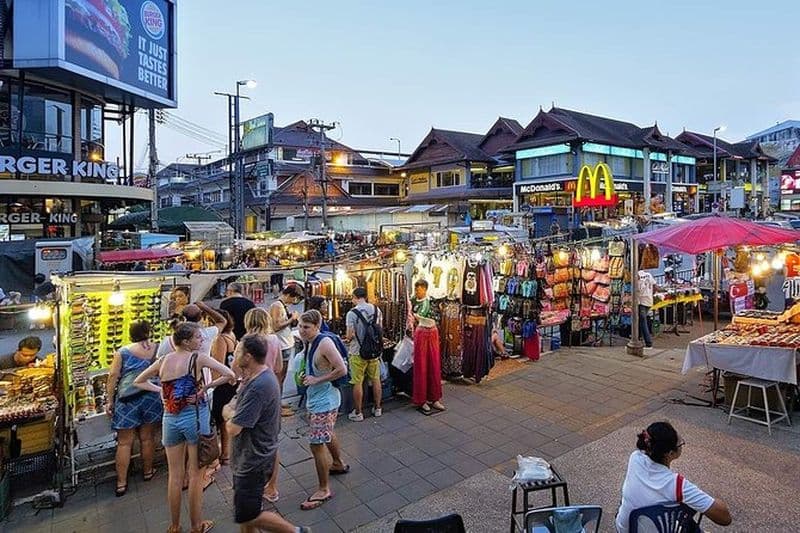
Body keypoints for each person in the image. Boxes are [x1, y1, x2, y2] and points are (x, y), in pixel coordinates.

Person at [134, 322, 236, 533]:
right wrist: (206, 387)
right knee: (196, 475)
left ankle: (174, 525)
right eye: (198, 337)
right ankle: (196, 525)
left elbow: (139, 381)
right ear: (187, 341)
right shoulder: (198, 359)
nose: (201, 341)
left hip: (170, 420)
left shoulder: (163, 360)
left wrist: (161, 392)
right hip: (194, 420)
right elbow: (229, 375)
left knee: (175, 475)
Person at [222, 335, 310, 533]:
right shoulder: (256, 378)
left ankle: (296, 532)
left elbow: (232, 427)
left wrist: (228, 411)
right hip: (250, 457)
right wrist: (233, 409)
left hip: (253, 460)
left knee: (249, 515)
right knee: (245, 513)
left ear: (248, 357)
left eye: (238, 351)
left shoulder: (257, 387)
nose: (234, 354)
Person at [616, 421, 732, 532]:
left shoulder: (636, 457)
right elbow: (725, 518)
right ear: (670, 454)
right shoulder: (677, 485)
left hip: (625, 528)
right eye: (680, 443)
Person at [297, 310, 349, 511]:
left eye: (306, 327)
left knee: (316, 444)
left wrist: (316, 379)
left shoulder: (324, 343)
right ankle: (337, 463)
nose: (302, 330)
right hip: (319, 399)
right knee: (327, 434)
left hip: (325, 401)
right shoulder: (308, 341)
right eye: (301, 326)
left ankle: (323, 489)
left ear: (317, 326)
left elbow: (341, 369)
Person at [105, 321, 162, 496]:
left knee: (124, 442)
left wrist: (109, 400)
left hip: (128, 399)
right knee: (147, 437)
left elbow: (113, 375)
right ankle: (147, 471)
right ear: (149, 331)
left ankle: (121, 483)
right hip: (152, 396)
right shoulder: (158, 348)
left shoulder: (122, 352)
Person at [242, 307, 283, 502]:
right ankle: (272, 487)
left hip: (251, 392)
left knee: (250, 442)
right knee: (271, 441)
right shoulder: (274, 340)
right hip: (272, 390)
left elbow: (235, 370)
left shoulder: (246, 342)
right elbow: (280, 367)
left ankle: (253, 487)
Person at [344, 287, 383, 422]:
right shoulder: (376, 310)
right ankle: (378, 408)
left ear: (355, 297)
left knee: (357, 382)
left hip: (357, 352)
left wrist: (347, 339)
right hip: (374, 351)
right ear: (365, 296)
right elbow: (379, 330)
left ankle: (358, 412)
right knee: (376, 379)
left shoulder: (352, 313)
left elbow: (350, 335)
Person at [409, 280, 445, 414]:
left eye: (419, 289)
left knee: (434, 365)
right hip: (421, 332)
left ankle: (434, 398)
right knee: (421, 366)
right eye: (416, 289)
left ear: (424, 289)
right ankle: (421, 399)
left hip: (432, 331)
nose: (417, 292)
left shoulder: (432, 301)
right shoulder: (412, 301)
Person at [269, 284, 304, 416]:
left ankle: (279, 401)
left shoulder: (283, 306)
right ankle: (276, 407)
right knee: (279, 377)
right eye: (294, 299)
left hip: (286, 344)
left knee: (281, 377)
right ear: (290, 295)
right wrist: (292, 319)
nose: (294, 302)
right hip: (281, 346)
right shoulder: (277, 306)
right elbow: (276, 326)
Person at [210, 309, 238, 465]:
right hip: (230, 382)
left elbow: (218, 366)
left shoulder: (220, 339)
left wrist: (211, 385)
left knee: (221, 419)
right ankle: (227, 452)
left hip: (222, 384)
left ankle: (225, 453)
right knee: (225, 418)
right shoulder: (231, 335)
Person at [637, 269, 660, 349]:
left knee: (643, 321)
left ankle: (648, 343)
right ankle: (639, 337)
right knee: (642, 320)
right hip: (649, 301)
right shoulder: (649, 275)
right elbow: (655, 287)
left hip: (641, 302)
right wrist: (650, 294)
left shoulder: (637, 276)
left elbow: (638, 289)